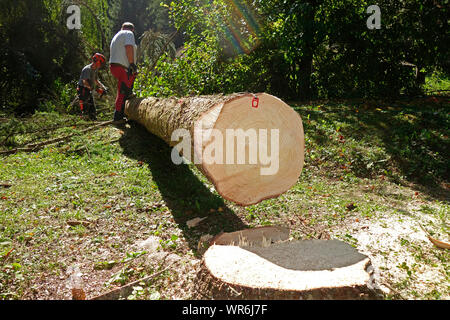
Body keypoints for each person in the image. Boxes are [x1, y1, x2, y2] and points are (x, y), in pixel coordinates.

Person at [109, 22, 138, 121]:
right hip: (122, 67)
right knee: (123, 91)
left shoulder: (117, 35)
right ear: (132, 29)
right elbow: (129, 47)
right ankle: (118, 117)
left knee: (125, 90)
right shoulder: (128, 33)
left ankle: (128, 95)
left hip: (116, 66)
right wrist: (132, 64)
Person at [77, 53, 108, 120]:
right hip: (83, 89)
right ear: (97, 61)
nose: (101, 65)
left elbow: (96, 80)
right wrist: (93, 89)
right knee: (85, 107)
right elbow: (85, 82)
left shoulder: (95, 70)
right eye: (101, 63)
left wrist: (103, 87)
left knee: (92, 108)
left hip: (88, 89)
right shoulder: (87, 69)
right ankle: (84, 122)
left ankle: (93, 119)